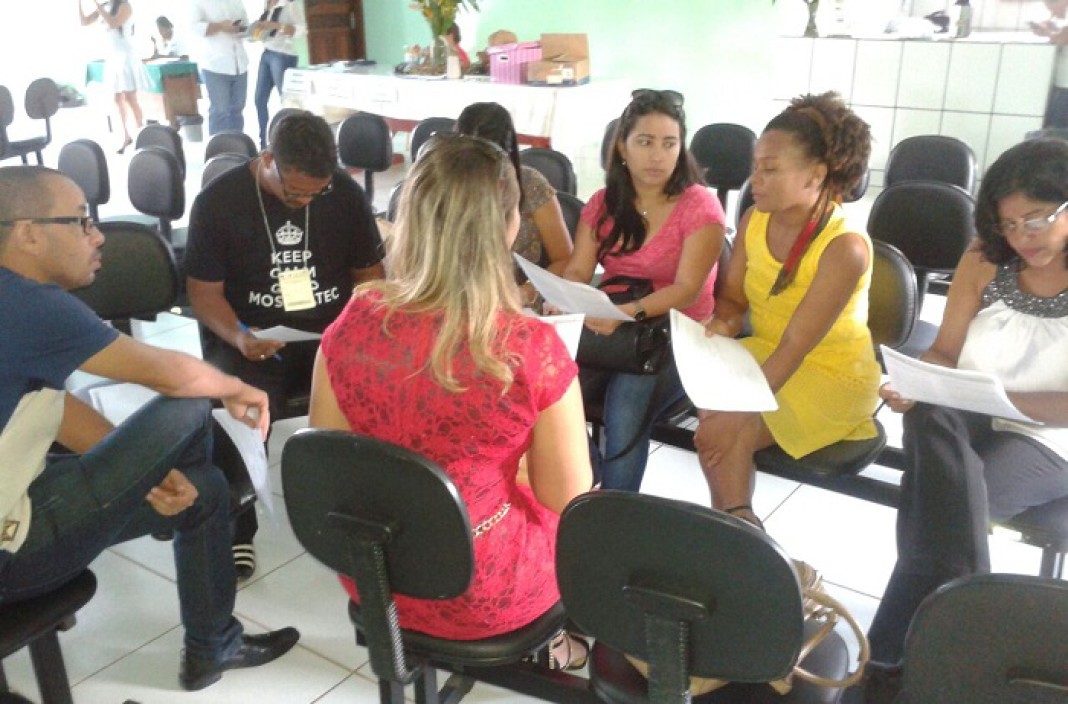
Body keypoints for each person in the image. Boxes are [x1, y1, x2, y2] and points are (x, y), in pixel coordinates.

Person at [0, 165, 300, 691]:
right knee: (190, 405)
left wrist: (145, 475)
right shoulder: (25, 303)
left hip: (19, 506)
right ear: (27, 234)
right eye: (81, 222)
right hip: (13, 555)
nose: (97, 236)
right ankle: (211, 638)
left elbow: (52, 407)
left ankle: (212, 646)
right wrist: (234, 388)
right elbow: (168, 374)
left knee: (203, 490)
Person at [308, 133, 592, 666]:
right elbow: (568, 498)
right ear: (509, 227)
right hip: (482, 587)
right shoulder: (531, 350)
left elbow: (331, 459)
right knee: (585, 520)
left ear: (410, 219)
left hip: (377, 566)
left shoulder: (354, 321)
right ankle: (558, 644)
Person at [865, 138, 1068, 685]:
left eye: (1037, 220)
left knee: (942, 511)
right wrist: (914, 383)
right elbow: (944, 353)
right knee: (928, 416)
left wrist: (1004, 401)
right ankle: (959, 646)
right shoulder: (984, 258)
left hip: (1051, 436)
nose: (1022, 237)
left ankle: (885, 662)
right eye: (1008, 224)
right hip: (966, 414)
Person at [184, 111, 385, 580]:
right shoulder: (219, 201)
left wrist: (357, 331)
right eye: (295, 193)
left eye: (316, 193)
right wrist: (240, 336)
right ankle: (237, 526)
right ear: (268, 158)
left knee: (386, 391)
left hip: (332, 335)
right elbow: (204, 293)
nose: (304, 201)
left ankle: (367, 517)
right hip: (252, 338)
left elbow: (370, 278)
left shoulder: (344, 193)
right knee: (231, 405)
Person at [694, 91, 879, 529]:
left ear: (816, 175)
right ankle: (740, 531)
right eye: (755, 166)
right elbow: (733, 302)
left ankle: (737, 533)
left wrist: (737, 414)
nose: (755, 179)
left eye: (770, 168)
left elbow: (796, 346)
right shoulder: (754, 220)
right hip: (768, 353)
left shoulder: (844, 248)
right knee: (715, 417)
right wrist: (721, 325)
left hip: (830, 374)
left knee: (728, 431)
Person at [559, 88, 725, 492]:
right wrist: (561, 296)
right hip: (615, 324)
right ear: (622, 147)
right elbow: (579, 268)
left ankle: (614, 513)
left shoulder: (699, 205)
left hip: (679, 334)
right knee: (542, 383)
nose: (657, 156)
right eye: (645, 142)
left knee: (625, 408)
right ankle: (587, 481)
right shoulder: (603, 203)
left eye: (669, 144)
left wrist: (625, 313)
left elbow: (687, 290)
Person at [455, 101, 573, 307]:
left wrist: (527, 291)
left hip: (518, 303)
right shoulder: (443, 188)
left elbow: (565, 259)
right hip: (455, 302)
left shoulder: (530, 185)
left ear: (507, 154)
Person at [78, 0, 146, 154]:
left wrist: (97, 5)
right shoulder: (104, 6)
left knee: (130, 98)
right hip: (113, 57)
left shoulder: (125, 6)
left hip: (126, 56)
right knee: (117, 99)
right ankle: (126, 136)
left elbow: (113, 23)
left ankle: (141, 132)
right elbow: (84, 21)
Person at [186, 0, 250, 136]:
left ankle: (237, 145)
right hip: (215, 65)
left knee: (237, 110)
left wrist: (244, 29)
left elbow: (245, 26)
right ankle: (217, 147)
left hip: (239, 64)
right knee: (220, 111)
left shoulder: (237, 2)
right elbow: (193, 27)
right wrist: (220, 26)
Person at [252, 0, 305, 149]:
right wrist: (254, 30)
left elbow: (301, 30)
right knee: (259, 99)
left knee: (287, 101)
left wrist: (277, 26)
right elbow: (264, 32)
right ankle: (263, 144)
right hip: (267, 53)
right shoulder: (268, 5)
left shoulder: (289, 5)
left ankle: (292, 141)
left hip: (283, 54)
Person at [1031, 0, 1068, 129]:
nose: (1051, 12)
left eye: (1051, 7)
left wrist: (1046, 31)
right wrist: (1052, 29)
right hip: (1063, 84)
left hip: (1065, 86)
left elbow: (1060, 39)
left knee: (1058, 127)